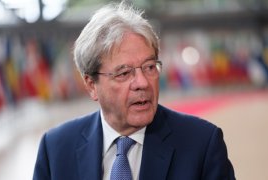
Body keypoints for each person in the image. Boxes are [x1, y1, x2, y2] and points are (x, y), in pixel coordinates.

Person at [33, 1, 235, 180]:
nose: (142, 82)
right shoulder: (55, 149)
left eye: (149, 67)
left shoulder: (202, 144)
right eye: (124, 73)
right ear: (91, 85)